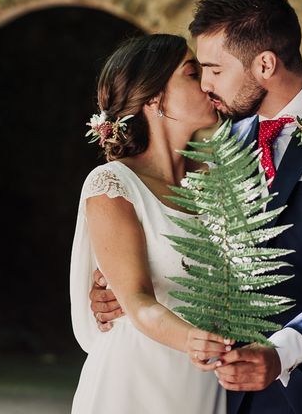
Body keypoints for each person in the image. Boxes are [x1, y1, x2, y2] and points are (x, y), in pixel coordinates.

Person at [90, 0, 302, 413]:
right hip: (237, 394)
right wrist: (120, 291)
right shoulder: (224, 144)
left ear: (265, 64)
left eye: (215, 70)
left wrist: (282, 353)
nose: (205, 84)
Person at [69, 33, 229, 414]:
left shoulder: (220, 181)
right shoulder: (113, 185)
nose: (208, 84)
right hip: (135, 380)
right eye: (193, 74)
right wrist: (195, 339)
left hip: (207, 382)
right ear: (154, 97)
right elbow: (136, 299)